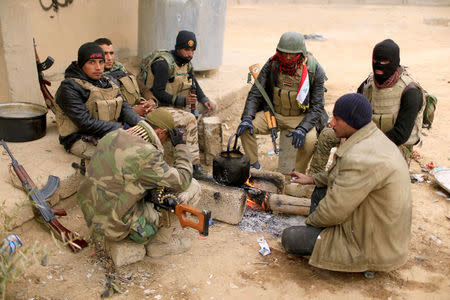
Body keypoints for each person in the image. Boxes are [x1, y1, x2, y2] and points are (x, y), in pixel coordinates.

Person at [282, 93, 412, 274]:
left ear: (353, 122)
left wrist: (309, 223)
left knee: (291, 238)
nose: (331, 123)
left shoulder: (360, 157)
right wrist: (311, 179)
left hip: (372, 246)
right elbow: (339, 174)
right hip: (380, 231)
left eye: (337, 119)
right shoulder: (371, 137)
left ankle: (364, 264)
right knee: (320, 191)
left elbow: (334, 210)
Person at [77, 108, 201, 257]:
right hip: (114, 227)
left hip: (90, 214)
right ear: (161, 132)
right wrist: (181, 146)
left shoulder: (112, 135)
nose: (165, 140)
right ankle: (161, 243)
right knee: (192, 186)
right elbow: (182, 179)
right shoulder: (147, 153)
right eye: (166, 137)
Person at [309, 39, 424, 174]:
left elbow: (401, 135)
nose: (379, 66)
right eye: (376, 61)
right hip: (366, 135)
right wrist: (346, 132)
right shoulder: (369, 84)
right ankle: (314, 181)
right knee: (327, 135)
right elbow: (354, 111)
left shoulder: (410, 92)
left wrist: (362, 144)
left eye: (385, 62)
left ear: (394, 62)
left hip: (396, 145)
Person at [236, 31, 326, 173]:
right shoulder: (273, 64)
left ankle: (297, 175)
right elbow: (256, 92)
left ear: (301, 54)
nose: (288, 57)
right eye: (284, 53)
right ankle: (254, 168)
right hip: (274, 114)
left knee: (310, 142)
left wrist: (303, 128)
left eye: (292, 54)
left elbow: (317, 107)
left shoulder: (314, 70)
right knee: (246, 128)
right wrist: (247, 117)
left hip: (299, 118)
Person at [138, 30, 216, 179]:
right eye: (187, 50)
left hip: (179, 105)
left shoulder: (187, 63)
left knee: (213, 106)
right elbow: (158, 92)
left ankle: (197, 144)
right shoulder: (163, 64)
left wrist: (204, 99)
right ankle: (194, 166)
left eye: (193, 50)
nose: (190, 54)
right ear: (178, 47)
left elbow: (194, 83)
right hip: (160, 108)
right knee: (190, 118)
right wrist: (182, 101)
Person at [54, 42, 140, 159]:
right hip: (81, 138)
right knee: (126, 156)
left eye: (101, 62)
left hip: (109, 131)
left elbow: (124, 107)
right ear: (81, 64)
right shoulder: (69, 88)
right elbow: (85, 123)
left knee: (146, 140)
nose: (98, 67)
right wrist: (121, 128)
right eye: (91, 62)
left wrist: (140, 124)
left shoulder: (107, 81)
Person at [94, 37, 157, 117]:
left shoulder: (121, 69)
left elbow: (143, 89)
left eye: (111, 53)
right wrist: (132, 111)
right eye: (105, 54)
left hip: (141, 111)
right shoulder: (96, 78)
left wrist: (151, 101)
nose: (109, 58)